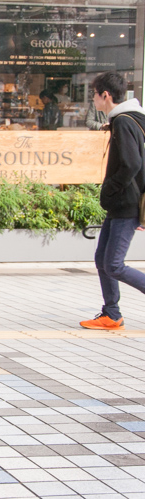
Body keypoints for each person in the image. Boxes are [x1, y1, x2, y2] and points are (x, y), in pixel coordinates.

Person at [80, 71, 145, 331]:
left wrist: (110, 189)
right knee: (101, 259)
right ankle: (111, 313)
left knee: (113, 264)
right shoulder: (130, 119)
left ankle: (112, 312)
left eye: (94, 95)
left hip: (125, 202)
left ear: (105, 95)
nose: (93, 100)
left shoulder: (124, 122)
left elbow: (131, 163)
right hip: (123, 201)